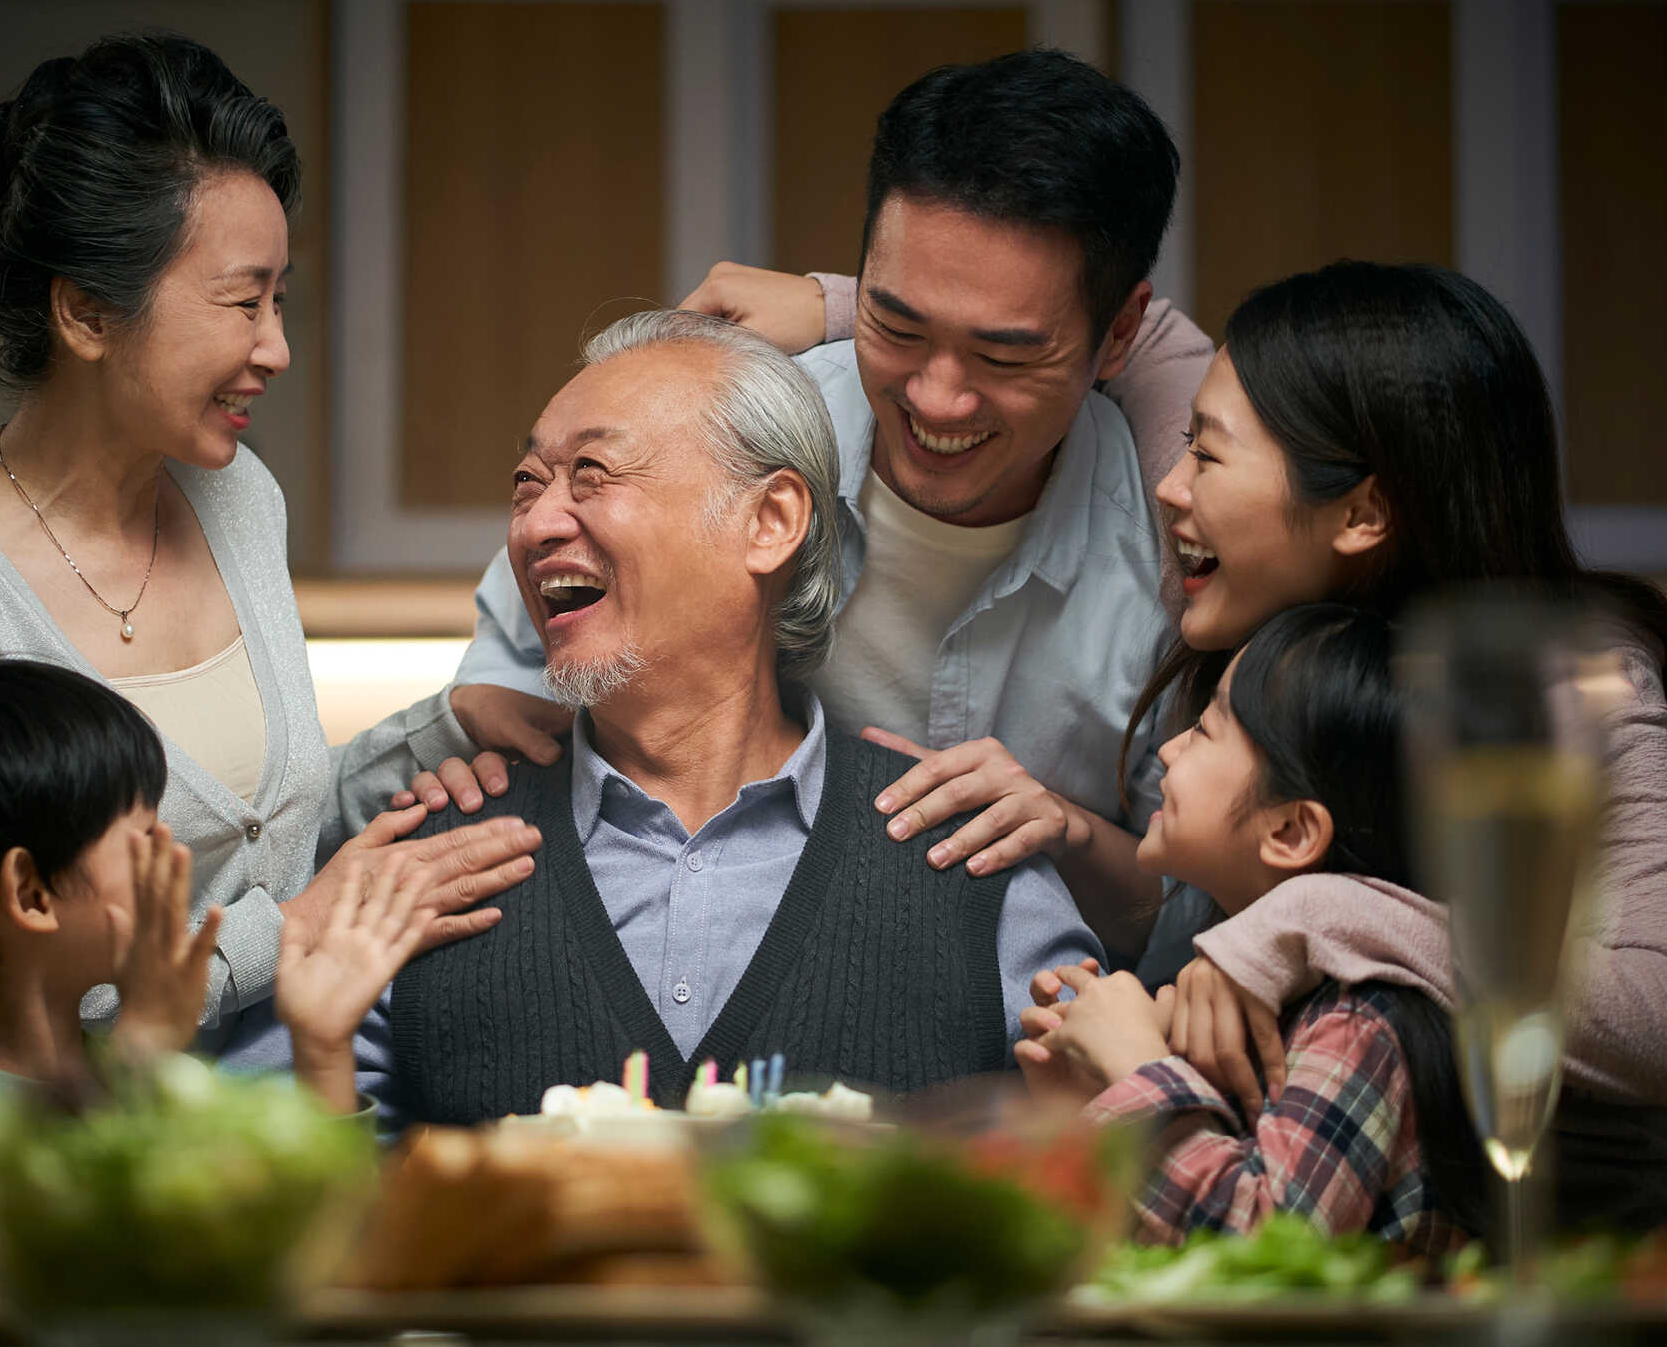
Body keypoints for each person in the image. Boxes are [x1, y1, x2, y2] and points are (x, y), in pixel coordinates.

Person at [442, 50, 1200, 971]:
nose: (937, 399)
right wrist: (489, 728)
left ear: (1119, 333)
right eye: (896, 327)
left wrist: (1066, 835)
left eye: (1003, 358)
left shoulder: (1183, 555)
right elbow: (517, 672)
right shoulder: (720, 432)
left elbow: (1191, 917)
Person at [0, 32, 534, 1044]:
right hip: (105, 1163)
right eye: (242, 302)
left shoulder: (241, 502)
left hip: (306, 1101)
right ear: (88, 312)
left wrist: (441, 726)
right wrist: (292, 931)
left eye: (279, 300)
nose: (274, 347)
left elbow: (252, 834)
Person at [307, 310, 1104, 1125]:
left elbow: (1104, 1182)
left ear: (769, 522)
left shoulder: (975, 860)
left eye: (592, 473)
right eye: (526, 484)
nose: (536, 523)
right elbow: (314, 1226)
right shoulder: (417, 865)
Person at [1068, 261, 1667, 1231]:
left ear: (1362, 512)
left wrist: (1312, 914)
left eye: (1207, 456)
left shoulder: (1566, 684)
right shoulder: (1277, 662)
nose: (1169, 486)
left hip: (1588, 1276)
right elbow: (1090, 310)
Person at [0, 661, 434, 1232]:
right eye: (143, 838)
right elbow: (83, 1284)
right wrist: (140, 1057)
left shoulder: (139, 1073)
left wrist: (322, 1048)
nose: (174, 858)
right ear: (30, 894)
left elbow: (309, 1254)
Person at [1017, 604, 1483, 1252]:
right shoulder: (1244, 997)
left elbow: (1268, 1254)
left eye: (1206, 729)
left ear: (1289, 830)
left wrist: (1133, 1069)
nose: (1171, 750)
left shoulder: (1357, 1021)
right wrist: (1086, 1104)